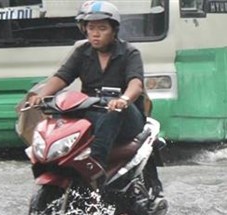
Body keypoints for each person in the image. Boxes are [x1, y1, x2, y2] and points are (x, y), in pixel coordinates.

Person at [26, 1, 161, 193]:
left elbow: (136, 84)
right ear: (84, 30)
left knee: (113, 112)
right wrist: (41, 96)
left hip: (126, 116)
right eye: (91, 28)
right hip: (93, 111)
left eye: (102, 28)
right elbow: (61, 77)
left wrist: (124, 99)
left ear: (114, 31)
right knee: (64, 116)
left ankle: (96, 165)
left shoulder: (130, 53)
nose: (95, 33)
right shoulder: (82, 52)